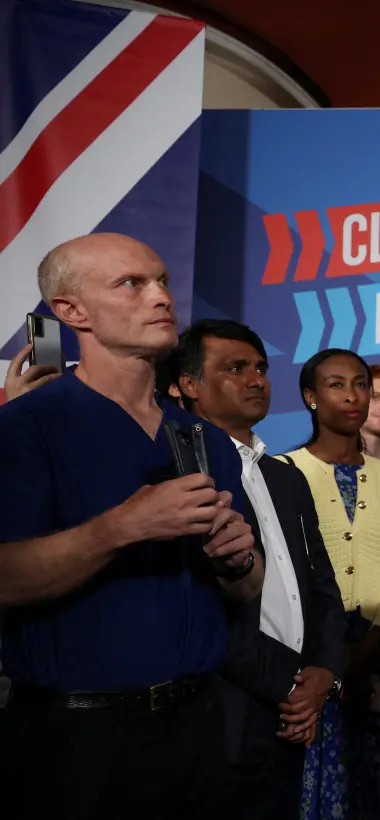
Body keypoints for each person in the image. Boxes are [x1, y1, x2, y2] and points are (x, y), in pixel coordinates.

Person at [0, 233, 261, 818]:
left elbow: (247, 587)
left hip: (201, 733)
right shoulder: (24, 430)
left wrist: (237, 560)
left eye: (163, 279)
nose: (161, 296)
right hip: (73, 745)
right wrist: (121, 526)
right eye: (132, 284)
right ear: (71, 312)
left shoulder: (206, 438)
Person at [174, 320, 347, 820]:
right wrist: (288, 687)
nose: (256, 380)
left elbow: (322, 586)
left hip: (292, 708)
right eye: (235, 368)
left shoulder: (283, 474)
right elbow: (199, 601)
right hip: (223, 705)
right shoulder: (182, 469)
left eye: (261, 368)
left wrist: (324, 674)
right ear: (190, 385)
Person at [281, 348, 380, 820]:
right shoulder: (284, 470)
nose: (353, 395)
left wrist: (371, 644)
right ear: (310, 397)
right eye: (336, 385)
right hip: (311, 661)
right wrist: (335, 656)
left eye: (361, 384)